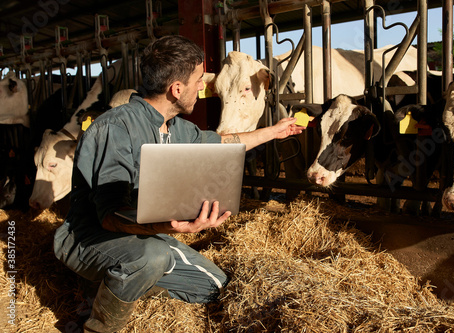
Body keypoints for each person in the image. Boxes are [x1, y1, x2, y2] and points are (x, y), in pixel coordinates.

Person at [53, 34, 305, 333]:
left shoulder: (176, 127)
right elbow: (110, 216)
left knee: (212, 286)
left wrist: (273, 132)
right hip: (89, 237)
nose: (203, 86)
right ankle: (96, 323)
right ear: (176, 89)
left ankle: (122, 284)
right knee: (152, 257)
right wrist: (170, 227)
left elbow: (222, 142)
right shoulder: (116, 128)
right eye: (199, 79)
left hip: (145, 235)